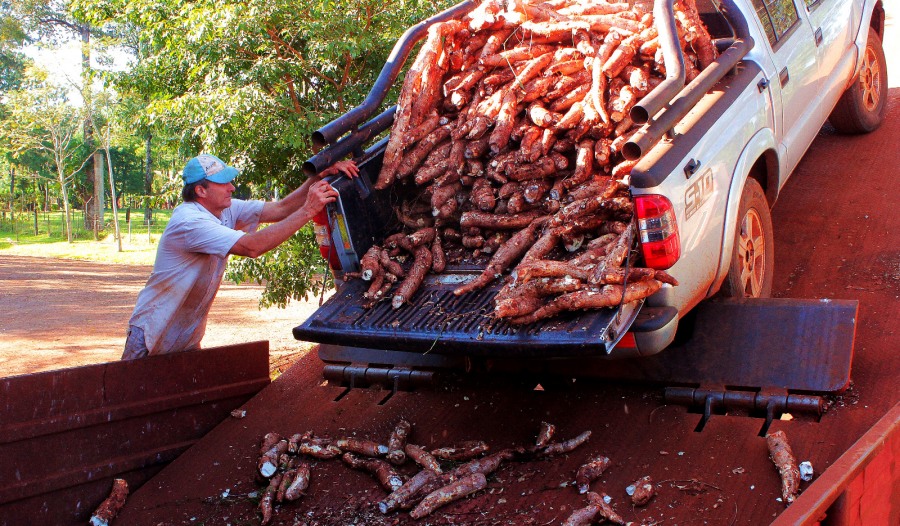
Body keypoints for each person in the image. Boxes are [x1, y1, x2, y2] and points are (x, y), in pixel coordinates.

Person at [122, 153, 358, 360]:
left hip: (186, 334)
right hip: (153, 333)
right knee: (129, 404)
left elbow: (281, 209)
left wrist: (317, 177)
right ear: (201, 190)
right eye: (223, 182)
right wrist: (309, 209)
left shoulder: (225, 209)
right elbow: (252, 247)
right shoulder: (189, 222)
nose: (232, 187)